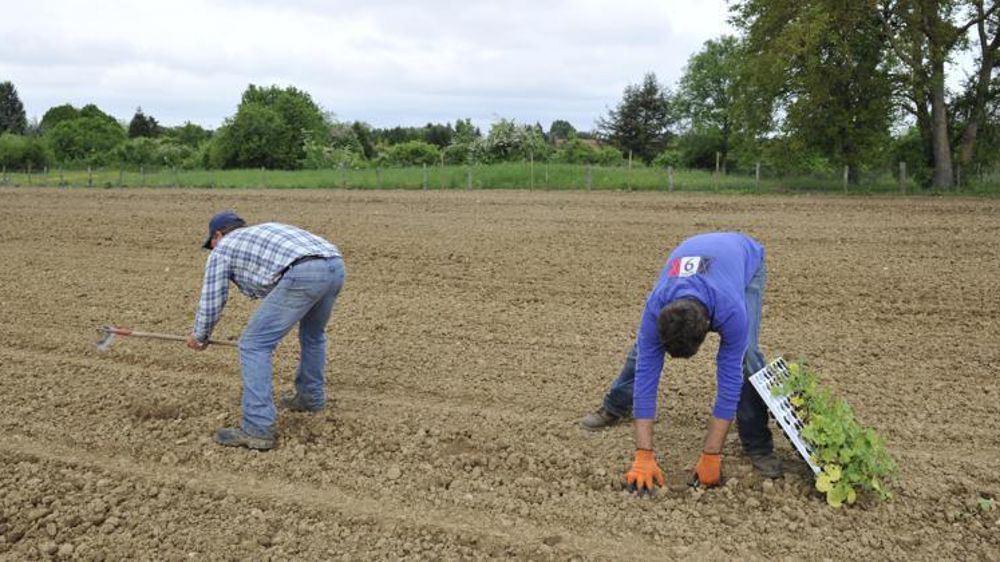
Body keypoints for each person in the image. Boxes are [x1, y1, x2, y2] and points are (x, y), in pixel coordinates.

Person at [578, 231, 781, 492]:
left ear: (709, 327)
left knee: (747, 356)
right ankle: (614, 406)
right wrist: (643, 455)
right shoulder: (655, 307)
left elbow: (728, 384)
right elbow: (646, 377)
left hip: (744, 260)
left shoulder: (730, 311)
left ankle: (758, 444)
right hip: (696, 251)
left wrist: (711, 454)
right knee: (642, 352)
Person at [187, 210, 345, 451]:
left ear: (217, 235)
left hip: (304, 272)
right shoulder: (261, 232)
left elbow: (213, 298)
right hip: (335, 264)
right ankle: (311, 397)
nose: (213, 248)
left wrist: (200, 335)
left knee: (253, 344)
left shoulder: (224, 247)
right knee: (313, 336)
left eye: (212, 243)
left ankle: (257, 427)